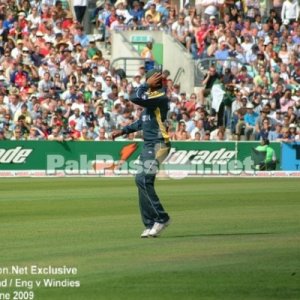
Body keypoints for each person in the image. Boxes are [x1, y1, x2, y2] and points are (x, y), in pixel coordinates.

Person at [112, 69, 171, 238]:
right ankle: (150, 222)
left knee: (143, 179)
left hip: (160, 145)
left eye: (150, 80)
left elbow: (134, 97)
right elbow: (141, 123)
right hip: (149, 146)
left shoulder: (159, 97)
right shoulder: (151, 102)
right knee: (141, 182)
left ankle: (161, 217)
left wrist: (145, 85)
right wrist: (122, 131)